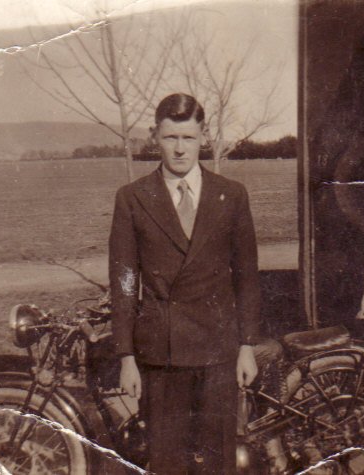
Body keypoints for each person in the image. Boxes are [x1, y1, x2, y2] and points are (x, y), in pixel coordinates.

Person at [109, 93, 261, 474]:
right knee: (167, 462)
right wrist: (126, 357)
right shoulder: (132, 199)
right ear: (154, 137)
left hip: (218, 353)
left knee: (219, 462)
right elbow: (124, 285)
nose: (179, 149)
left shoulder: (232, 195)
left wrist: (246, 345)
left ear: (203, 137)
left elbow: (247, 277)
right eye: (170, 137)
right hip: (162, 356)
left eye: (188, 138)